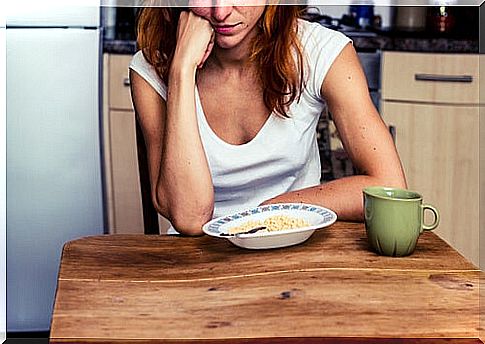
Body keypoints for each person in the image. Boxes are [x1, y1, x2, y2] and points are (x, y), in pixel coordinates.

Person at [129, 3, 407, 235]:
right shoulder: (150, 69)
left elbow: (388, 185)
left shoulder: (319, 50)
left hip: (291, 240)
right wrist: (182, 69)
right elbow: (189, 219)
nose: (221, 11)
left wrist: (269, 212)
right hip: (196, 261)